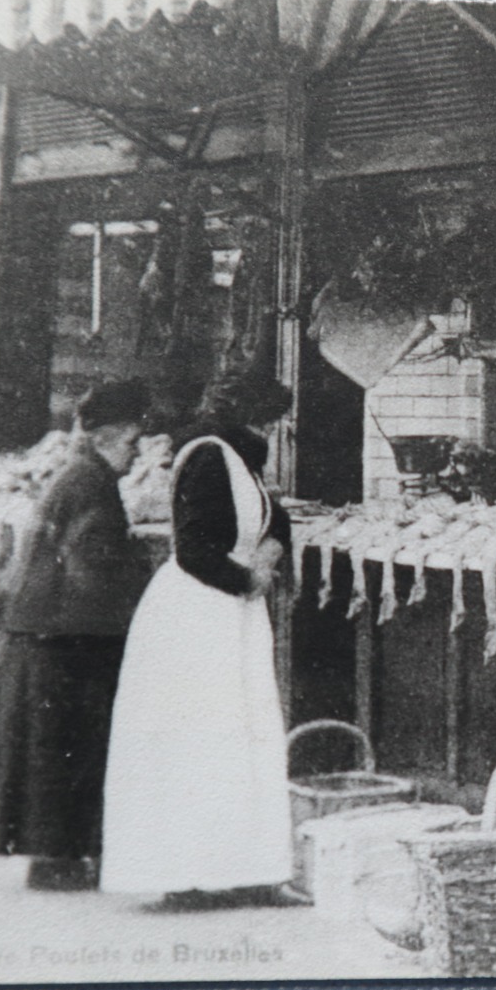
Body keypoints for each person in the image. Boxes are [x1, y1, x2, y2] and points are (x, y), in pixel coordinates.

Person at [99, 372, 306, 909]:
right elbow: (194, 552)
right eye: (268, 419)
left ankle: (248, 870)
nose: (274, 429)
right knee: (198, 740)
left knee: (242, 738)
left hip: (230, 615)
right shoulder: (208, 456)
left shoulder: (240, 459)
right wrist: (248, 578)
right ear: (247, 415)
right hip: (196, 614)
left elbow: (273, 518)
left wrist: (270, 552)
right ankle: (187, 874)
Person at [0, 378, 152, 892]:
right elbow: (91, 564)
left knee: (48, 750)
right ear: (109, 436)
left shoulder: (77, 474)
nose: (136, 455)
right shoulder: (91, 482)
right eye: (133, 442)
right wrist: (138, 596)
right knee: (67, 748)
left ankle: (54, 858)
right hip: (68, 639)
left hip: (45, 632)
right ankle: (58, 860)